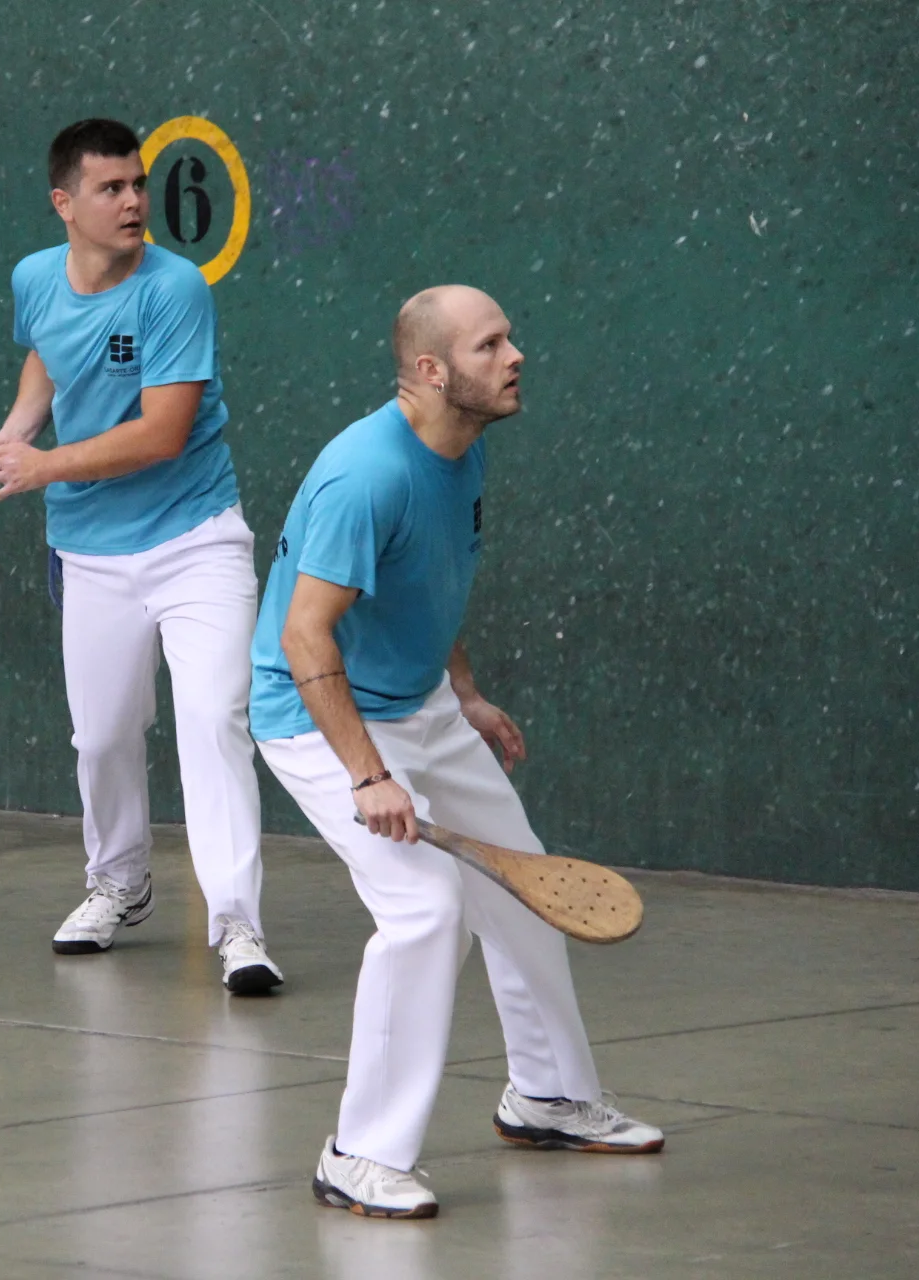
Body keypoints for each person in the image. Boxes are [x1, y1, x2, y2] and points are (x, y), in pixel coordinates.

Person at [248, 285, 663, 1217]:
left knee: (529, 887)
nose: (516, 356)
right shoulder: (366, 476)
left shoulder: (462, 447)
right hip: (319, 719)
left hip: (423, 702)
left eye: (509, 337)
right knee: (426, 910)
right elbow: (306, 635)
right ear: (433, 371)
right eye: (490, 345)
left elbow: (428, 584)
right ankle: (359, 1154)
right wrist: (369, 774)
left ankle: (549, 1096)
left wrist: (463, 691)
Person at [0, 118, 280, 995]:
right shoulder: (34, 277)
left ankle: (238, 923)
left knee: (213, 720)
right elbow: (48, 355)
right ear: (65, 203)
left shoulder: (175, 289)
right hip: (90, 552)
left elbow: (163, 433)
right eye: (111, 188)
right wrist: (17, 430)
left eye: (138, 184)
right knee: (101, 736)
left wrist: (41, 465)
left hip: (196, 540)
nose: (136, 200)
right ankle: (119, 883)